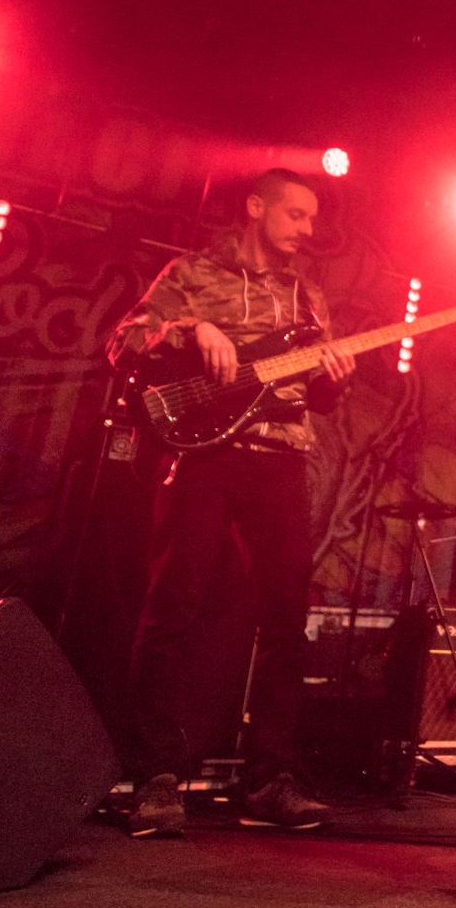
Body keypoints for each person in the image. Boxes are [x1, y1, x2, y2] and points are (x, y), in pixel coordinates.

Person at [107, 168, 355, 836]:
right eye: (296, 215)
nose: (308, 230)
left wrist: (333, 379)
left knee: (285, 619)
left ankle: (269, 776)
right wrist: (190, 329)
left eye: (312, 218)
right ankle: (155, 777)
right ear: (256, 208)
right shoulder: (193, 273)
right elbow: (124, 340)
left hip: (282, 461)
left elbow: (314, 394)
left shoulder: (309, 297)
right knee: (174, 604)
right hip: (206, 456)